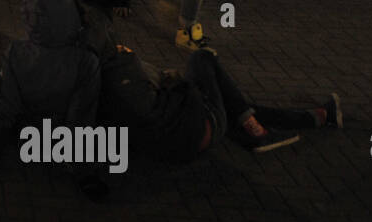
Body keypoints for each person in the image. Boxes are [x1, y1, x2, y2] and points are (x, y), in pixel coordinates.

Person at [0, 0, 106, 197]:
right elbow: (81, 116)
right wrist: (84, 173)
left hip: (25, 129)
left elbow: (7, 102)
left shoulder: (17, 51)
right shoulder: (85, 61)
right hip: (59, 134)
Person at [98, 44, 341, 158]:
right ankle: (254, 128)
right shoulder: (124, 74)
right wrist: (183, 85)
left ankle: (315, 117)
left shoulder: (97, 84)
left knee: (236, 106)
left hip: (178, 135)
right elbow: (169, 99)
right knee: (202, 58)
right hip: (197, 128)